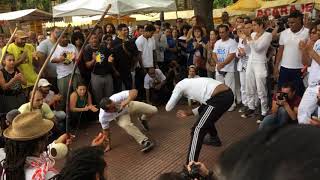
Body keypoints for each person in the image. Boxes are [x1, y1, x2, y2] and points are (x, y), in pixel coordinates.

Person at [165, 78, 234, 163]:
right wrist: (188, 113)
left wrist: (176, 93)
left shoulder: (179, 86)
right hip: (226, 95)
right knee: (205, 117)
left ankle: (190, 166)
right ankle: (214, 139)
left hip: (220, 98)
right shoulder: (193, 82)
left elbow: (168, 108)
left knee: (197, 129)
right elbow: (204, 107)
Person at [0, 112, 70, 179]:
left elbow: (39, 157)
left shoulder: (8, 165)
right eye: (47, 135)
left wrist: (55, 144)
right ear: (39, 143)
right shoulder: (47, 176)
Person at [241, 17, 272, 122]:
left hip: (260, 62)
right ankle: (251, 107)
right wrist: (245, 41)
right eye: (252, 25)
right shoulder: (253, 35)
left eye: (254, 25)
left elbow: (258, 49)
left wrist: (249, 37)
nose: (252, 27)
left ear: (261, 25)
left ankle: (264, 111)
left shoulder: (268, 35)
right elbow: (248, 50)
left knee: (261, 88)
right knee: (249, 85)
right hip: (251, 61)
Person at [274, 10, 309, 97]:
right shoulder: (284, 33)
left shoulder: (308, 33)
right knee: (282, 93)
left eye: (293, 22)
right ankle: (282, 109)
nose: (290, 24)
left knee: (298, 94)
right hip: (284, 68)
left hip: (300, 69)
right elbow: (280, 51)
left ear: (300, 21)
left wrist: (307, 68)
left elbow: (310, 52)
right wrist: (276, 67)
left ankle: (296, 110)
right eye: (289, 22)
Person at [51, 32, 81, 109]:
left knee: (77, 94)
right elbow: (51, 60)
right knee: (64, 96)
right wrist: (59, 59)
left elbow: (78, 59)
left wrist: (75, 59)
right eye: (63, 37)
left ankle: (76, 112)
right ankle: (65, 114)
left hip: (74, 73)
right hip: (63, 75)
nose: (66, 39)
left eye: (66, 37)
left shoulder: (72, 46)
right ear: (58, 39)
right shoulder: (55, 48)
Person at [298, 24, 320, 125]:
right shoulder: (316, 43)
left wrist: (309, 49)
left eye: (316, 32)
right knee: (302, 112)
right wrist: (304, 50)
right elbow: (306, 62)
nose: (313, 34)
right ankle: (307, 137)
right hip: (312, 85)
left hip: (318, 86)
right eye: (311, 32)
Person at [212, 24, 237, 111]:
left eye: (223, 32)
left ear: (227, 32)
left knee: (230, 88)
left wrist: (222, 64)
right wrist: (218, 63)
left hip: (228, 69)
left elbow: (232, 55)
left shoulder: (232, 42)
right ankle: (222, 104)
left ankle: (231, 105)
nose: (221, 34)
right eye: (220, 32)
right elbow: (214, 53)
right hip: (218, 69)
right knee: (219, 88)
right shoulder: (217, 42)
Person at [84, 33, 114, 104]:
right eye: (92, 38)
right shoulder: (87, 50)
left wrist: (111, 59)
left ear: (98, 39)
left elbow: (110, 57)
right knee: (98, 97)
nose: (94, 40)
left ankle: (109, 111)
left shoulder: (104, 48)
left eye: (96, 38)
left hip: (107, 75)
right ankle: (100, 112)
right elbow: (87, 65)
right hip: (96, 76)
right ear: (89, 41)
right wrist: (94, 60)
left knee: (109, 96)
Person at [112, 24, 139, 92]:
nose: (126, 31)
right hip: (118, 70)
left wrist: (133, 67)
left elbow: (136, 55)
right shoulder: (114, 42)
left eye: (127, 30)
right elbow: (111, 57)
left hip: (128, 70)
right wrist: (114, 70)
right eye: (124, 30)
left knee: (129, 88)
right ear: (119, 31)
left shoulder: (131, 41)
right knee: (118, 89)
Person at [236, 22, 252, 113]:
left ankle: (252, 105)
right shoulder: (239, 39)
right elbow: (237, 52)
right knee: (243, 86)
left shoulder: (251, 37)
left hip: (250, 65)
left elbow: (252, 51)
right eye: (238, 30)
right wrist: (239, 53)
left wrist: (244, 53)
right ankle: (245, 104)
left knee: (250, 87)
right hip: (241, 66)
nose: (240, 31)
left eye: (242, 29)